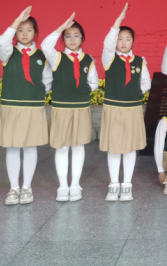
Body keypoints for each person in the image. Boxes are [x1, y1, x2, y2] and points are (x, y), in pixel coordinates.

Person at [0, 6, 51, 206]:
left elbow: (47, 81)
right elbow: (2, 42)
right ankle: (13, 188)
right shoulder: (8, 53)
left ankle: (26, 187)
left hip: (33, 106)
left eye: (29, 30)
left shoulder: (42, 56)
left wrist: (35, 95)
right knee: (12, 147)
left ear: (35, 33)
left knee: (29, 146)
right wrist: (16, 21)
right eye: (20, 30)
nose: (24, 34)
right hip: (11, 106)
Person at [42, 13, 99, 202]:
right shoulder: (57, 58)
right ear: (63, 39)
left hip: (81, 108)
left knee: (78, 146)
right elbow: (45, 46)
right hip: (61, 109)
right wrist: (60, 27)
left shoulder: (88, 60)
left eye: (76, 35)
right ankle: (62, 186)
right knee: (62, 147)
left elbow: (94, 83)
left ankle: (75, 184)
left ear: (82, 38)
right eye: (68, 36)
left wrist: (81, 91)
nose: (72, 39)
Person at [101, 3, 150, 202]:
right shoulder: (109, 58)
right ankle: (114, 184)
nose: (123, 42)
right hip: (113, 107)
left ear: (133, 42)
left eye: (127, 39)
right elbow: (107, 45)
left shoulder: (140, 61)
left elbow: (145, 83)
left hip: (132, 108)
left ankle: (127, 184)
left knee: (130, 147)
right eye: (120, 39)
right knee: (114, 147)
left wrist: (133, 94)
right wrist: (117, 23)